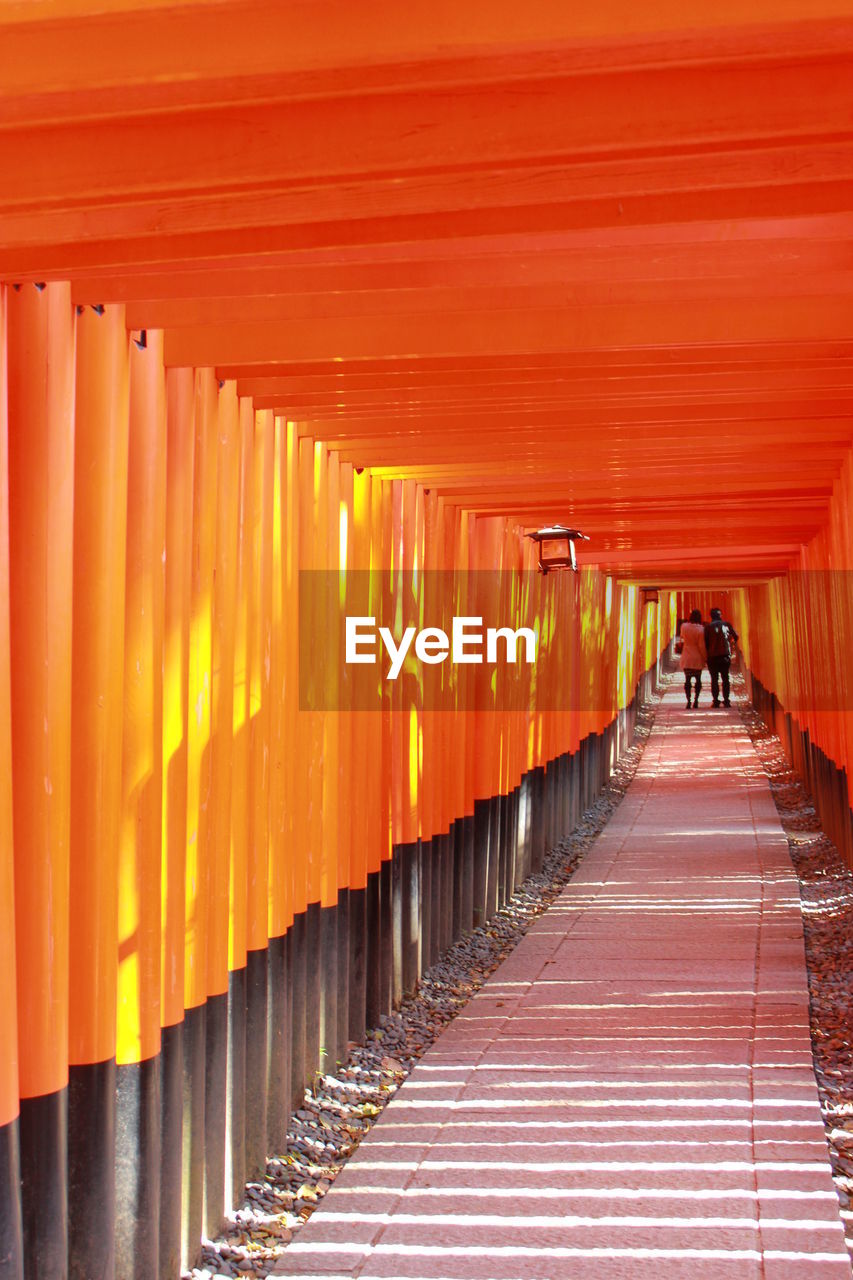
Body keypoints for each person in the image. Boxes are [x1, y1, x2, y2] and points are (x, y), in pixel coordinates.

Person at [704, 607, 739, 708]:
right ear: (720, 615)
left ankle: (716, 701)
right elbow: (736, 636)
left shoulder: (708, 627)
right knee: (725, 678)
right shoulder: (726, 624)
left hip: (712, 657)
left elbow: (706, 642)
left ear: (711, 616)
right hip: (725, 656)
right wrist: (730, 644)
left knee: (714, 679)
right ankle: (727, 701)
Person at [678, 608, 707, 709]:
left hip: (687, 656)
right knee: (698, 680)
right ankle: (696, 700)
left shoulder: (684, 626)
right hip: (697, 657)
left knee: (687, 680)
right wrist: (705, 657)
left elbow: (682, 638)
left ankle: (688, 701)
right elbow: (701, 646)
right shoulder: (701, 629)